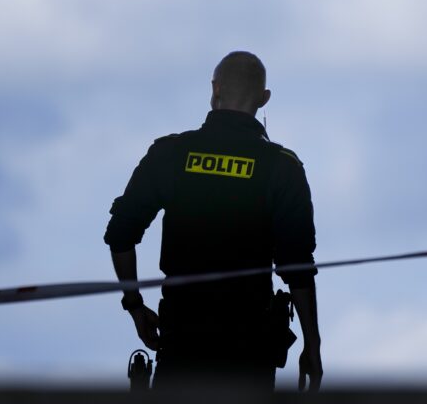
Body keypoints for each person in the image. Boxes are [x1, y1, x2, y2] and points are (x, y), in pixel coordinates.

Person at [104, 51, 322, 390]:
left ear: (215, 88)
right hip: (248, 352)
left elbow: (120, 235)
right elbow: (298, 267)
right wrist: (312, 345)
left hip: (182, 340)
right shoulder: (283, 167)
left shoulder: (170, 153)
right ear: (264, 99)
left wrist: (135, 306)